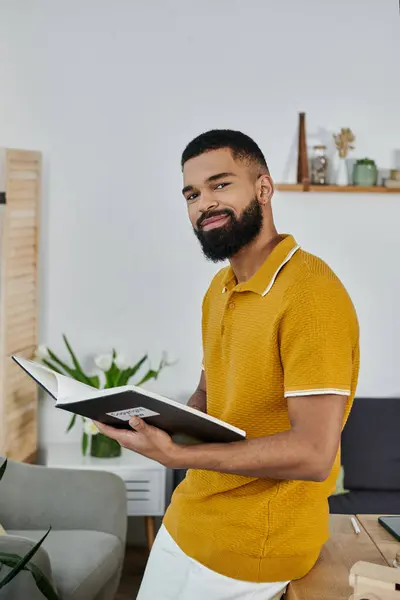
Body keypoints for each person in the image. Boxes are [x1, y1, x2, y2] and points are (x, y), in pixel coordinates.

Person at [96, 129, 360, 600]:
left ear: (263, 188)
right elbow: (210, 393)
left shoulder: (311, 294)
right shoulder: (219, 288)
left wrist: (179, 456)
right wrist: (152, 421)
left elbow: (315, 455)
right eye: (192, 194)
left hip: (253, 547)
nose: (204, 204)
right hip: (188, 521)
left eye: (221, 185)